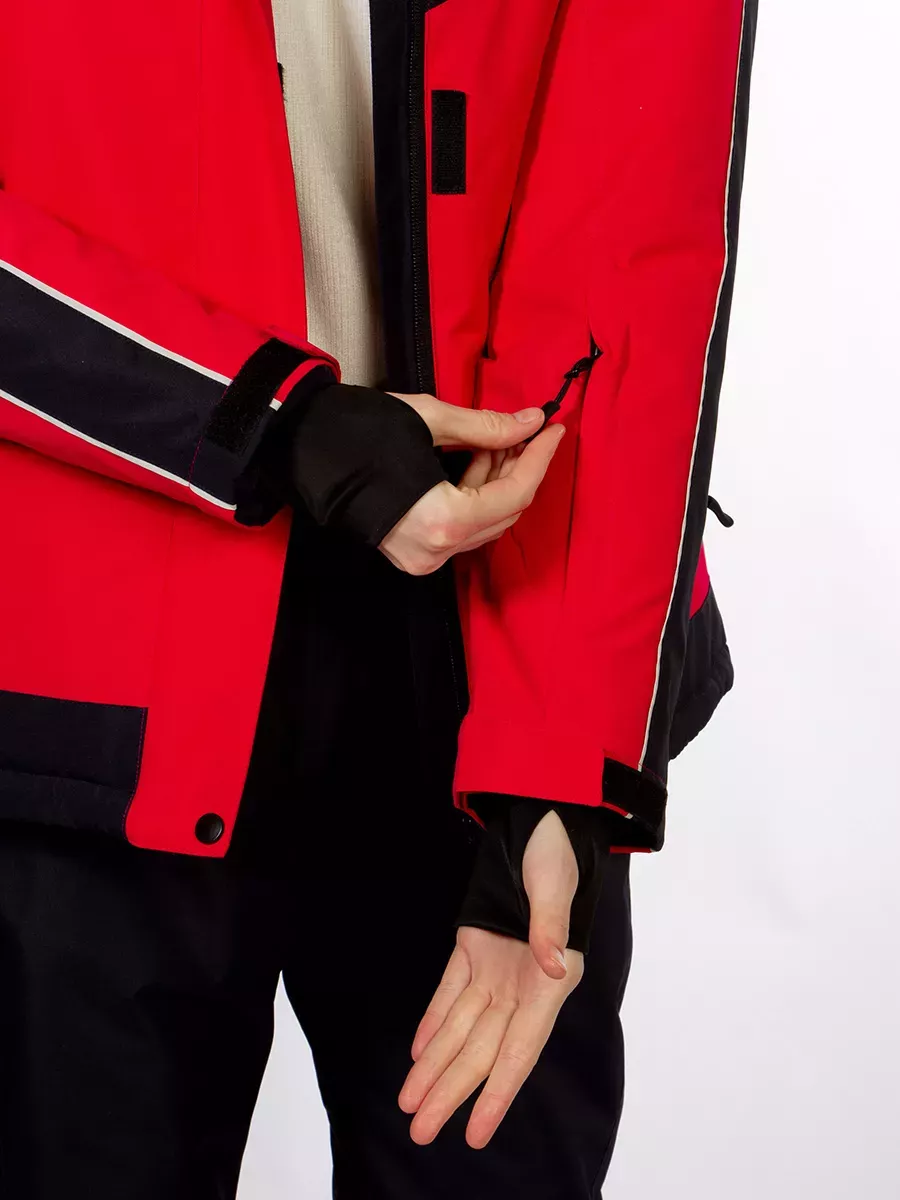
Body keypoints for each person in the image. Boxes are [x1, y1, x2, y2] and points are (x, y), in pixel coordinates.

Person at [0, 1, 755, 1196]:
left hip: (497, 645)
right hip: (79, 665)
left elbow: (634, 231)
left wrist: (556, 771)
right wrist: (264, 418)